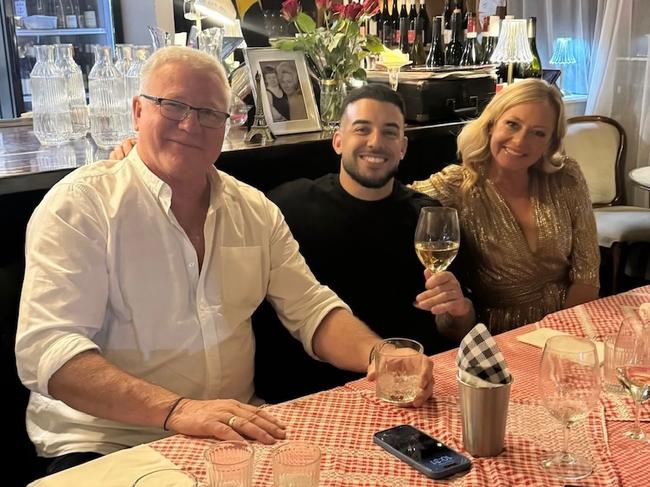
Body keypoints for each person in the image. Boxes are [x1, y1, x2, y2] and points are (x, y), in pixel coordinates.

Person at [14, 47, 433, 475]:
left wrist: (380, 355)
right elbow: (49, 352)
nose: (191, 124)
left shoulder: (253, 209)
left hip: (235, 430)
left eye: (210, 113)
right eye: (173, 105)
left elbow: (311, 309)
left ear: (227, 124)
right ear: (138, 111)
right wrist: (178, 410)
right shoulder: (81, 205)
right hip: (108, 442)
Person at [255, 84, 475, 401]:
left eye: (389, 133)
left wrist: (457, 311)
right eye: (362, 129)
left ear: (403, 147)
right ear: (338, 141)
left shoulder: (431, 221)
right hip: (309, 392)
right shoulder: (287, 207)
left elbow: (456, 329)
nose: (376, 142)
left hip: (409, 389)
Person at [411, 78, 600, 334]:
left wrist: (561, 337)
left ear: (550, 143)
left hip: (568, 325)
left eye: (538, 133)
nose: (521, 141)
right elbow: (395, 202)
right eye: (512, 124)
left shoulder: (566, 177)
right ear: (491, 125)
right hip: (499, 337)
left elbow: (587, 276)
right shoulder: (457, 185)